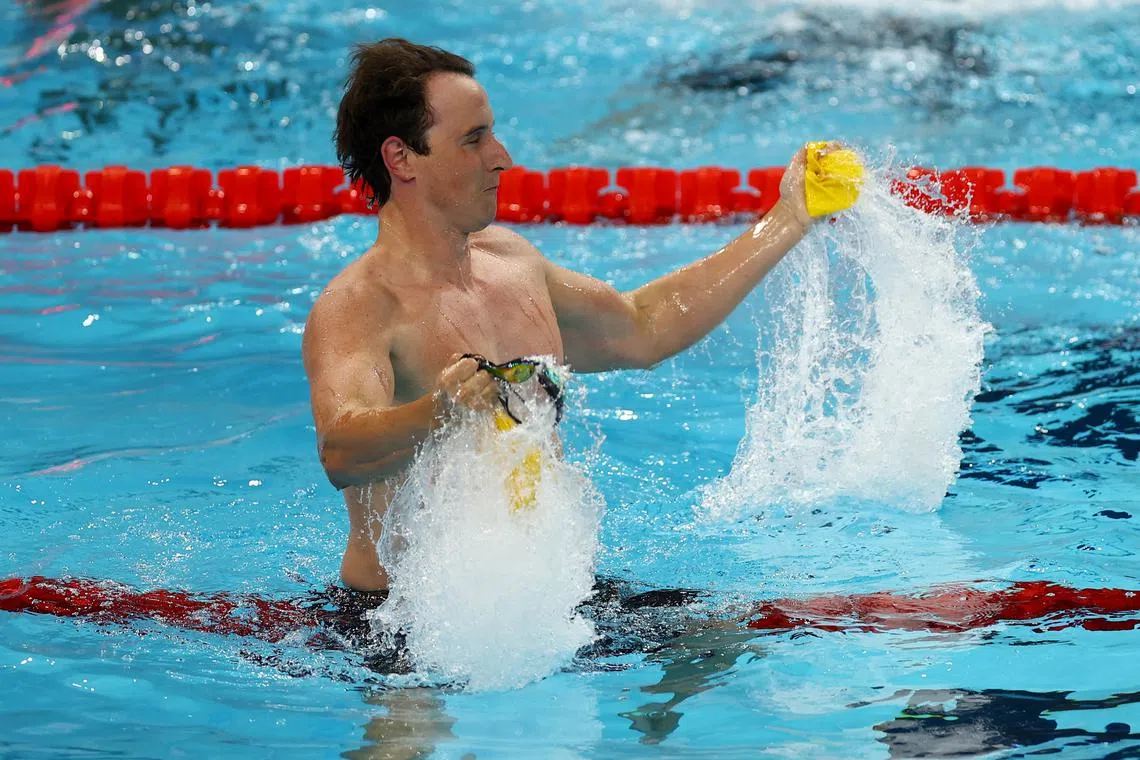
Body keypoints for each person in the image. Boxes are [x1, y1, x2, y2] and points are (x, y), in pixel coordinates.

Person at [302, 37, 828, 592]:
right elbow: (341, 450)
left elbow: (643, 326)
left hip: (545, 596)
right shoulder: (360, 306)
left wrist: (789, 218)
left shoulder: (511, 263)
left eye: (492, 134)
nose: (501, 157)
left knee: (738, 633)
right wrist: (437, 412)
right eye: (474, 139)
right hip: (402, 616)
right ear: (401, 158)